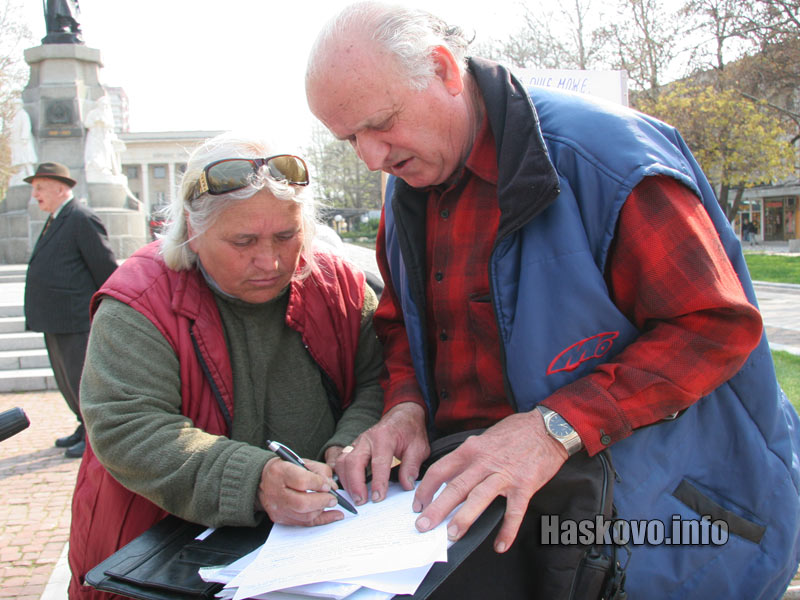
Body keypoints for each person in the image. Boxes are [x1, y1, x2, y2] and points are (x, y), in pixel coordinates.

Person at [305, 3, 800, 598]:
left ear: (442, 69)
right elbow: (401, 328)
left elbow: (713, 327)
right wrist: (406, 406)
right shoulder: (408, 187)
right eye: (349, 137)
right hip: (501, 529)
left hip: (663, 531)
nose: (371, 157)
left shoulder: (606, 160)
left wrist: (553, 428)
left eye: (380, 123)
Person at [67, 132, 385, 600]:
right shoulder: (139, 301)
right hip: (162, 559)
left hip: (318, 555)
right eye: (243, 241)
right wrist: (255, 480)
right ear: (191, 234)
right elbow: (128, 426)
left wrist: (351, 443)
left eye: (286, 235)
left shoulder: (341, 288)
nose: (271, 260)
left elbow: (380, 380)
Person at [23, 162, 117, 459]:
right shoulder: (56, 218)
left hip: (76, 318)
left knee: (81, 381)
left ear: (61, 187)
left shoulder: (80, 218)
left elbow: (105, 269)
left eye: (39, 187)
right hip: (55, 319)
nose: (35, 194)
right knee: (67, 381)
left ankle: (94, 437)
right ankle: (82, 425)